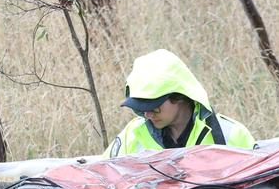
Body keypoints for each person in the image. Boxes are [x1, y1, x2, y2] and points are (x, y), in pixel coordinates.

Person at [104, 49, 255, 157]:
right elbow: (101, 182)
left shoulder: (231, 136)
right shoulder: (131, 136)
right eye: (141, 107)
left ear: (179, 96)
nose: (147, 114)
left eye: (153, 107)